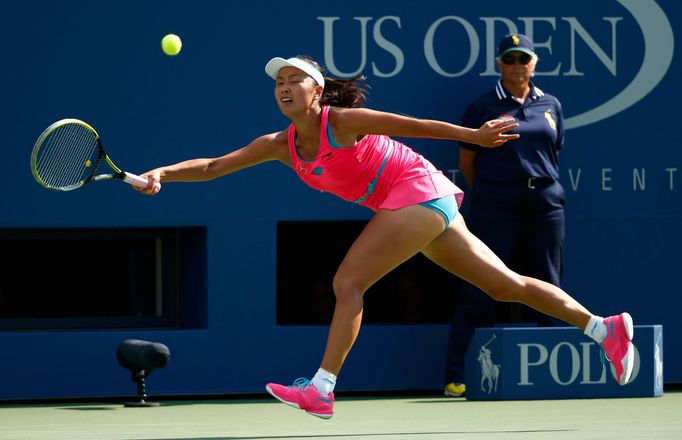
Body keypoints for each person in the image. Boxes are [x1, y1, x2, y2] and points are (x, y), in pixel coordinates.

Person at [136, 54, 635, 420]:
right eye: (278, 83)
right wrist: (160, 171)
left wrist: (475, 138)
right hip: (419, 201)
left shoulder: (344, 121)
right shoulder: (278, 145)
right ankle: (602, 328)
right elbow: (213, 167)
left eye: (295, 80)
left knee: (347, 280)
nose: (284, 87)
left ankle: (322, 388)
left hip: (417, 191)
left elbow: (411, 124)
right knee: (503, 285)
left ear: (317, 91)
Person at [443, 33, 567, 398]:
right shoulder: (483, 106)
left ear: (534, 63)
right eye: (510, 59)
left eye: (523, 59)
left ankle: (552, 375)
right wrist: (495, 189)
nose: (517, 66)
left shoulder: (551, 104)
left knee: (549, 281)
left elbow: (554, 149)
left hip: (545, 202)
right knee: (482, 284)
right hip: (496, 203)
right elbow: (467, 159)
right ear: (500, 64)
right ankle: (457, 376)